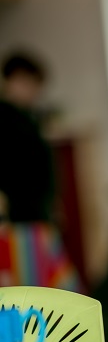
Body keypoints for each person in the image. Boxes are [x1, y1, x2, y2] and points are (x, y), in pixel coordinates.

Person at [0, 50, 55, 223]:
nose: (35, 93)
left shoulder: (28, 118)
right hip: (18, 215)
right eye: (32, 84)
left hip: (34, 212)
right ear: (16, 80)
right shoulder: (6, 118)